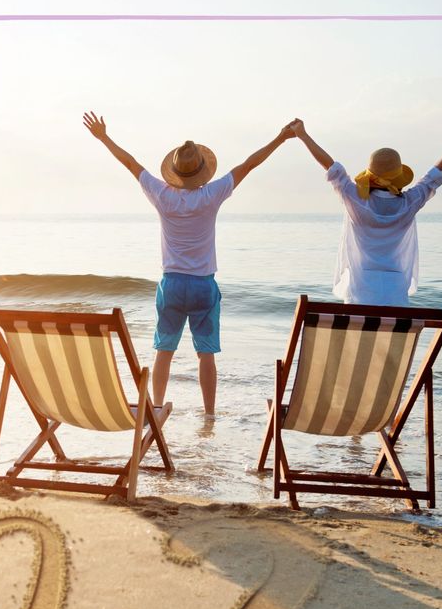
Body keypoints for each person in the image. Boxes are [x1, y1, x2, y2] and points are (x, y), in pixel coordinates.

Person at [83, 111, 298, 416]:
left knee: (164, 350)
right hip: (202, 285)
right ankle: (209, 414)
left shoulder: (161, 194)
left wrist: (104, 137)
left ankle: (156, 407)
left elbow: (131, 164)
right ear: (202, 171)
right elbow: (249, 165)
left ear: (174, 171)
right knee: (206, 354)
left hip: (172, 283)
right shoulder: (211, 194)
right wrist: (280, 138)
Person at [290, 116, 442, 306]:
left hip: (359, 292)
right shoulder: (410, 202)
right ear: (398, 177)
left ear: (370, 176)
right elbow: (439, 168)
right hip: (395, 294)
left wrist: (303, 136)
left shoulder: (354, 200)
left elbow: (331, 167)